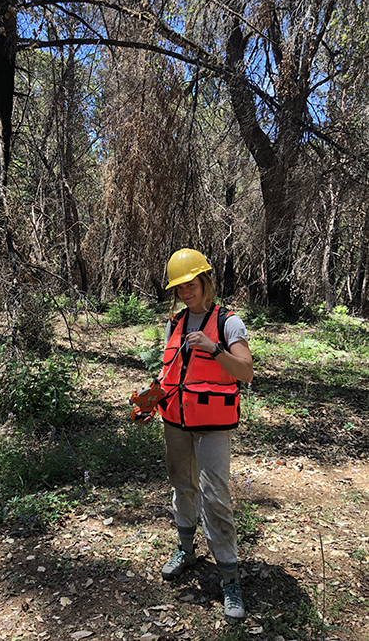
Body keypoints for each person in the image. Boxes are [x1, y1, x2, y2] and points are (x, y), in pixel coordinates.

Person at [155, 248, 253, 622]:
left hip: (212, 423)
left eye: (191, 285)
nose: (185, 292)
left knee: (215, 496)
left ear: (205, 282)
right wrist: (150, 401)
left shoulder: (229, 322)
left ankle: (229, 577)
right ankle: (186, 549)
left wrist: (214, 349)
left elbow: (245, 372)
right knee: (182, 486)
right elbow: (171, 374)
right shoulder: (175, 323)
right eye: (179, 287)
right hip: (176, 419)